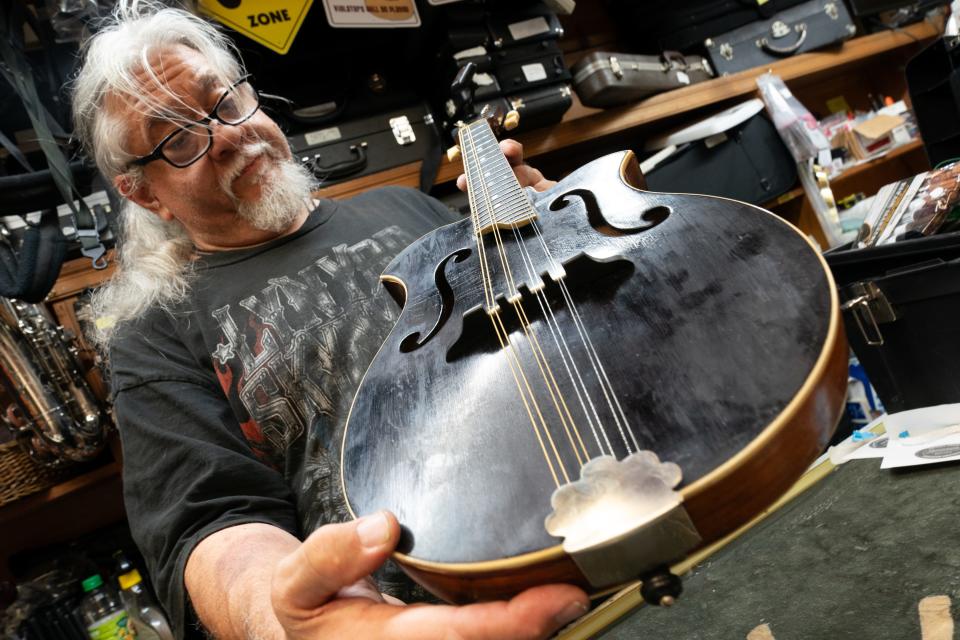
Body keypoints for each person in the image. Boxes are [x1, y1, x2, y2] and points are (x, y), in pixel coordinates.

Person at [71, 4, 588, 639]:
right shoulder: (155, 333)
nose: (231, 135)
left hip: (597, 511)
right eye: (178, 139)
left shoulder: (405, 205)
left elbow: (545, 337)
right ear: (144, 194)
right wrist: (288, 621)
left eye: (225, 100)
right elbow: (213, 528)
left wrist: (563, 239)